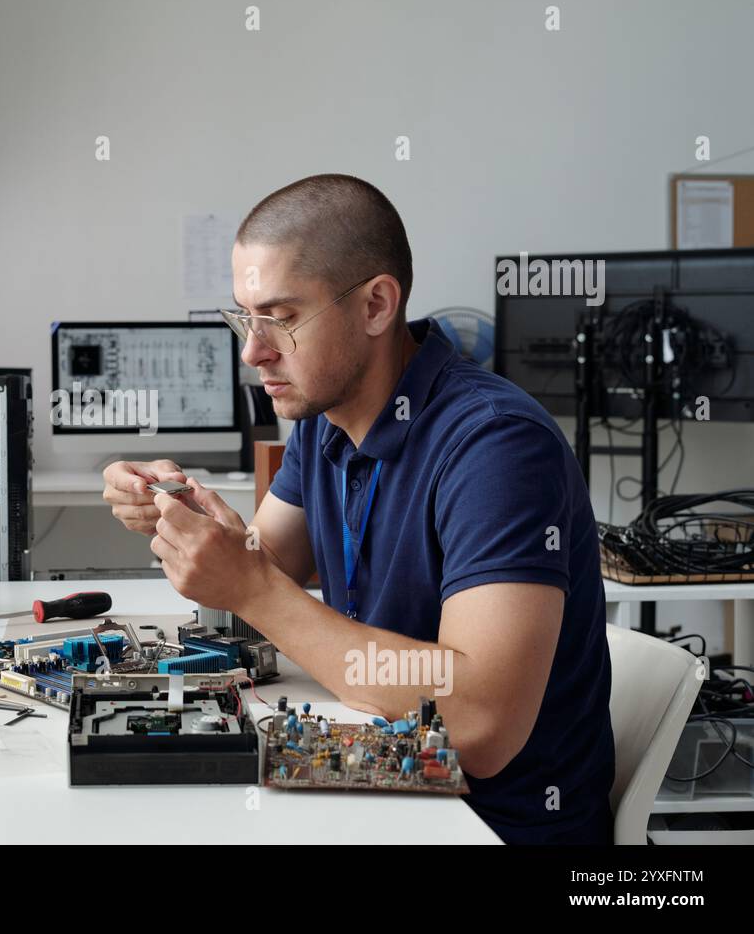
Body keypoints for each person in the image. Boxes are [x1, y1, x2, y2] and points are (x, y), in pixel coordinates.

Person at [101, 174, 614, 844]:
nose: (252, 351)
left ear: (375, 305)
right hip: (387, 762)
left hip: (485, 819)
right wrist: (190, 519)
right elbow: (268, 564)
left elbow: (482, 726)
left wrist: (250, 585)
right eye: (244, 318)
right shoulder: (325, 420)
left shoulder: (497, 447)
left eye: (280, 318)